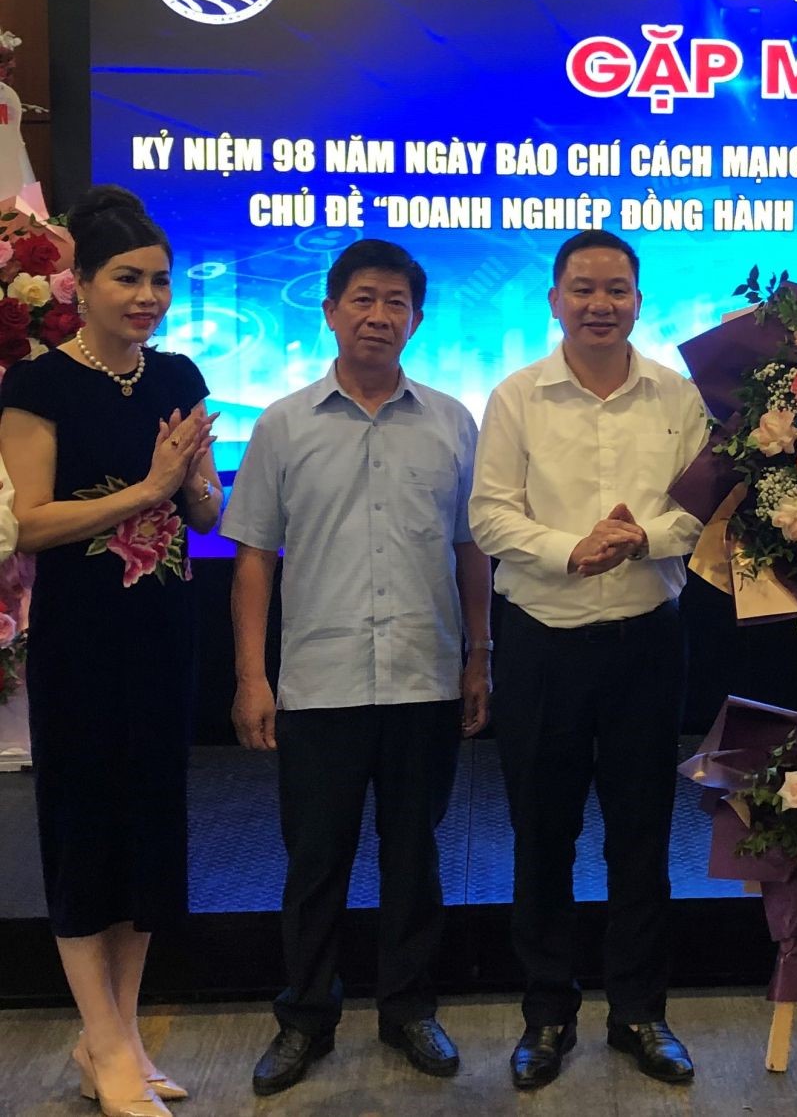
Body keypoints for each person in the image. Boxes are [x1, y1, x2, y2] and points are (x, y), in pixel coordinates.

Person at [223, 240, 490, 1096]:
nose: (379, 316)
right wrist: (251, 677)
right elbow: (255, 556)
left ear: (416, 318)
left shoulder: (453, 421)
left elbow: (469, 550)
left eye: (397, 303)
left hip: (423, 678)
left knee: (415, 859)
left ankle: (410, 1008)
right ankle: (305, 1017)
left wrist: (479, 657)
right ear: (331, 310)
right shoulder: (283, 422)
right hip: (321, 682)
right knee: (315, 864)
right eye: (363, 299)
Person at [469, 229, 709, 1091]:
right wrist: (575, 549)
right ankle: (547, 1012)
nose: (600, 304)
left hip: (647, 643)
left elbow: (701, 513)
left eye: (616, 289)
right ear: (555, 301)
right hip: (543, 645)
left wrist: (642, 538)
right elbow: (491, 517)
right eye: (583, 289)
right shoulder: (516, 398)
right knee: (544, 834)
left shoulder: (678, 398)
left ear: (640, 300)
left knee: (641, 836)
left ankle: (641, 1012)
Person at [0, 185, 219, 1117]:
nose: (148, 296)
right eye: (127, 278)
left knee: (146, 839)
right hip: (80, 646)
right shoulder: (40, 384)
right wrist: (150, 487)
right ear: (80, 285)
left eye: (161, 280)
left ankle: (115, 1040)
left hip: (164, 637)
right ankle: (110, 1044)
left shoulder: (178, 376)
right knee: (87, 836)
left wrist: (195, 485)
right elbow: (31, 524)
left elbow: (204, 511)